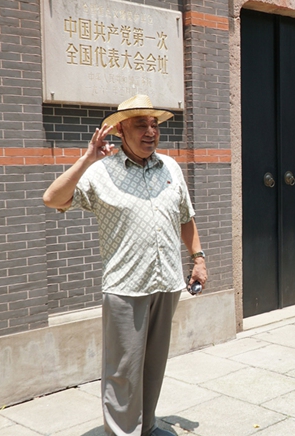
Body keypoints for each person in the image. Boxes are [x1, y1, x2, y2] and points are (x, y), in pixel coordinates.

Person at [43, 94, 207, 436]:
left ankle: (146, 428)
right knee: (123, 371)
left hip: (167, 284)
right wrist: (87, 158)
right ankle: (123, 432)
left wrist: (198, 259)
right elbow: (52, 198)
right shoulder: (101, 173)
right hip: (125, 288)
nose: (150, 131)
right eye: (140, 124)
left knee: (152, 367)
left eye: (153, 124)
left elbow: (185, 217)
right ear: (119, 130)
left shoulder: (171, 168)